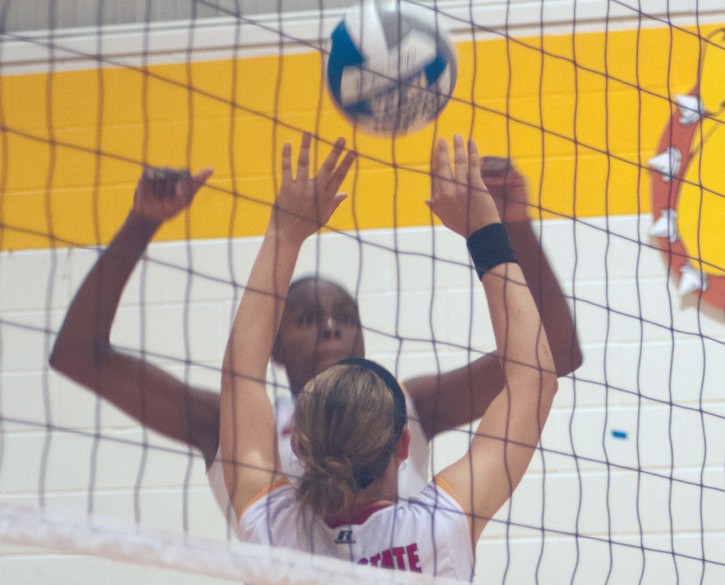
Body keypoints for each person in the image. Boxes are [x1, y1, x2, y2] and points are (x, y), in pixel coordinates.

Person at [49, 138, 580, 517]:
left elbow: (558, 353)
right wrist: (139, 223)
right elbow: (79, 357)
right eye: (307, 319)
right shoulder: (223, 424)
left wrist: (515, 223)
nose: (331, 329)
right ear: (274, 348)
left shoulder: (410, 407)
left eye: (345, 319)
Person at [220, 132, 557, 585]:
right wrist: (483, 227)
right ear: (404, 447)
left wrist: (285, 231)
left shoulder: (266, 532)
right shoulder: (440, 530)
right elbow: (536, 377)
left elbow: (239, 377)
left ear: (296, 446)